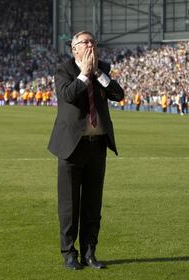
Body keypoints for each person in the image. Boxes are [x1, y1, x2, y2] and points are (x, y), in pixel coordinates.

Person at [48, 31, 124, 270]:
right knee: (69, 205)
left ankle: (90, 253)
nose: (90, 45)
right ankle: (69, 253)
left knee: (93, 205)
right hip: (72, 147)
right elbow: (68, 95)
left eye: (93, 41)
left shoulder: (103, 68)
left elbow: (118, 95)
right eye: (85, 42)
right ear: (75, 49)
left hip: (97, 146)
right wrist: (83, 75)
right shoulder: (64, 70)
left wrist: (98, 73)